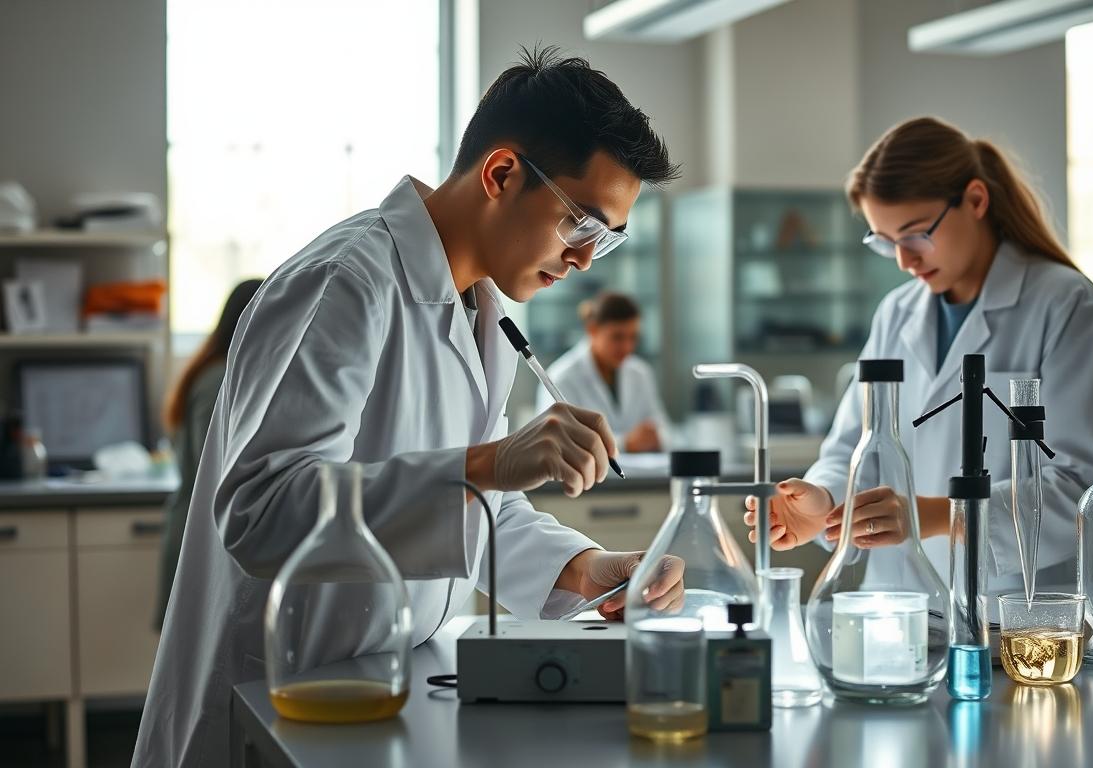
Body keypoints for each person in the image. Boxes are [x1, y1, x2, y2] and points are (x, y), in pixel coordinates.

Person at [133, 48, 685, 767]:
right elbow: (262, 509)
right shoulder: (347, 281)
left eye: (605, 240)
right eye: (581, 224)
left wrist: (583, 566)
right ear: (501, 173)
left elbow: (469, 510)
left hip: (387, 690)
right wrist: (489, 461)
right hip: (274, 698)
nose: (585, 259)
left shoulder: (482, 309)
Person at [744, 117, 1093, 594]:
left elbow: (1086, 488)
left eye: (914, 234)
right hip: (898, 608)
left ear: (975, 200)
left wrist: (933, 515)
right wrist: (823, 501)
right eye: (885, 242)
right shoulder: (897, 313)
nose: (905, 260)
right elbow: (853, 444)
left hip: (1018, 612)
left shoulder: (1067, 306)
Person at [155, 278, 262, 630]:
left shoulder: (217, 368)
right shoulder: (219, 376)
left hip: (198, 528)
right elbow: (212, 461)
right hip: (199, 534)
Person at [536, 292, 670, 453]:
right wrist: (623, 444)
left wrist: (657, 436)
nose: (627, 347)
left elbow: (662, 427)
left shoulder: (640, 373)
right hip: (584, 477)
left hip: (642, 476)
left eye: (633, 337)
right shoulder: (561, 378)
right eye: (617, 337)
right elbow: (557, 442)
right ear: (592, 330)